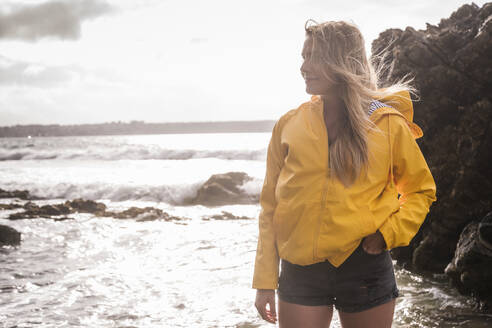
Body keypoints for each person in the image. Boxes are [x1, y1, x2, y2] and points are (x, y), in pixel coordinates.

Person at [252, 20, 437, 328]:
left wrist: (388, 234)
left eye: (313, 57)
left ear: (340, 62)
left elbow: (421, 190)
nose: (303, 66)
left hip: (363, 265)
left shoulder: (386, 124)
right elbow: (270, 207)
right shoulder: (289, 125)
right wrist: (264, 281)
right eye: (303, 56)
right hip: (300, 270)